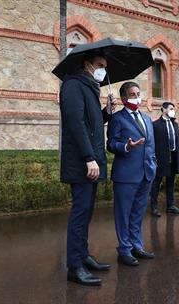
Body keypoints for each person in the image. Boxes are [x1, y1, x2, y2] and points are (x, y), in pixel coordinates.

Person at [59, 51, 116, 286]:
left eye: (105, 66)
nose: (103, 70)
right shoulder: (73, 85)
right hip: (83, 163)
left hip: (90, 162)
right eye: (100, 65)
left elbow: (92, 123)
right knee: (80, 214)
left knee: (87, 213)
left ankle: (83, 256)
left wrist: (106, 112)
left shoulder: (90, 88)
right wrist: (88, 157)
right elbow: (75, 123)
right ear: (87, 64)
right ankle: (75, 266)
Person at [107, 82, 157, 266]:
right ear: (123, 99)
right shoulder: (117, 119)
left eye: (138, 93)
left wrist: (154, 164)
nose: (136, 96)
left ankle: (137, 246)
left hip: (146, 174)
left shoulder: (146, 118)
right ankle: (124, 250)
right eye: (132, 94)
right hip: (126, 175)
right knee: (124, 213)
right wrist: (126, 146)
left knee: (137, 213)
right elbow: (111, 144)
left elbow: (151, 145)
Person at [150, 102, 179, 217]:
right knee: (156, 183)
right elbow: (152, 143)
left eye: (173, 109)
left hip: (173, 157)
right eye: (170, 108)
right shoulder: (155, 125)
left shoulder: (175, 125)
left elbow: (178, 142)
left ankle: (171, 205)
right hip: (160, 159)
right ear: (163, 109)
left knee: (171, 183)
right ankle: (153, 207)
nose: (172, 111)